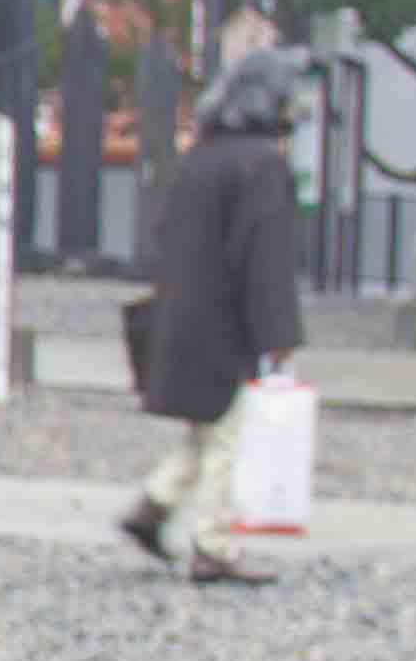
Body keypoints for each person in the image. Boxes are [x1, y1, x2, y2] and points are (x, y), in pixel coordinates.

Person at [123, 46, 304, 586]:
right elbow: (266, 258)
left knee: (210, 425)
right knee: (227, 433)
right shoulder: (263, 165)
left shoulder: (197, 158)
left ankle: (153, 506)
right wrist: (279, 333)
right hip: (227, 316)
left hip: (184, 307)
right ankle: (213, 543)